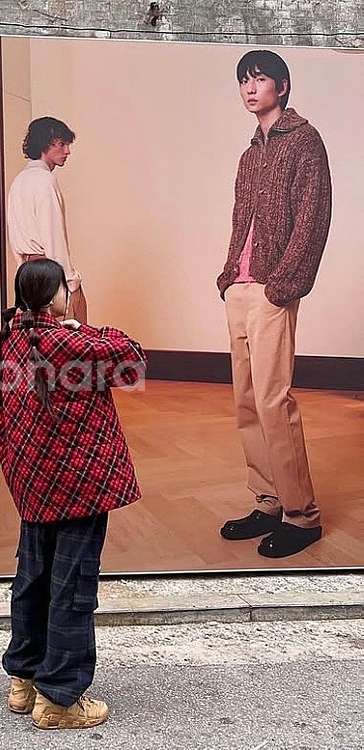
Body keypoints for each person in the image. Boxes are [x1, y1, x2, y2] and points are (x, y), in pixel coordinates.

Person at [0, 258, 145, 730]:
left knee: (32, 578)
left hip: (34, 485)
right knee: (71, 587)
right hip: (80, 486)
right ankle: (59, 700)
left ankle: (24, 680)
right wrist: (88, 328)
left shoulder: (7, 342)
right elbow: (132, 361)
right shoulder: (71, 343)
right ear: (55, 296)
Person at [216, 50, 332, 558]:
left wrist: (282, 284)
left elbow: (313, 218)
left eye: (259, 79)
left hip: (272, 289)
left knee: (272, 401)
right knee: (246, 402)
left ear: (281, 86)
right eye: (244, 80)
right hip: (240, 289)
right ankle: (268, 500)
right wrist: (228, 277)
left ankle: (301, 515)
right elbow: (239, 220)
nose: (249, 88)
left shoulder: (305, 141)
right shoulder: (249, 155)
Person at [7, 117, 88, 324]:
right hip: (49, 274)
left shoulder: (19, 181)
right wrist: (71, 282)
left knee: (33, 336)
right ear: (44, 145)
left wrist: (22, 270)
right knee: (73, 337)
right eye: (61, 144)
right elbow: (53, 237)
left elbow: (14, 233)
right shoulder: (45, 181)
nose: (67, 151)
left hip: (26, 274)